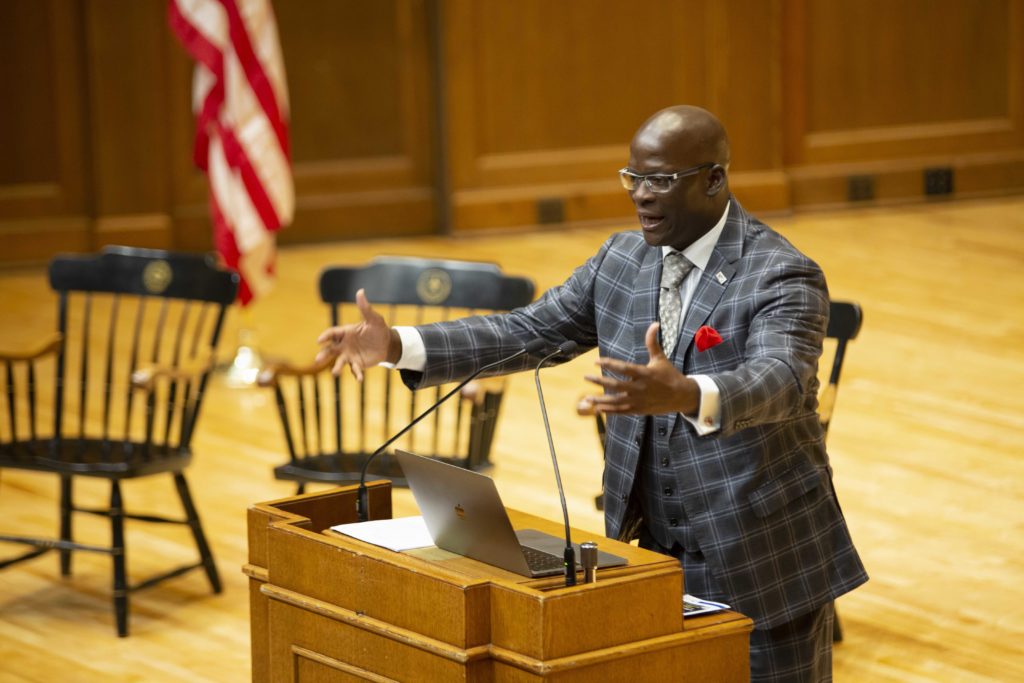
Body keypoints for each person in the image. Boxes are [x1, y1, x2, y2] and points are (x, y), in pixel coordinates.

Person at [316, 105, 867, 682]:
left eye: (660, 180)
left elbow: (782, 378)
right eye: (633, 179)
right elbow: (525, 331)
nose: (641, 196)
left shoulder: (780, 273)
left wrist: (689, 394)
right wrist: (399, 344)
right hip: (649, 555)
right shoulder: (620, 261)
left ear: (713, 179)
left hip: (764, 560)